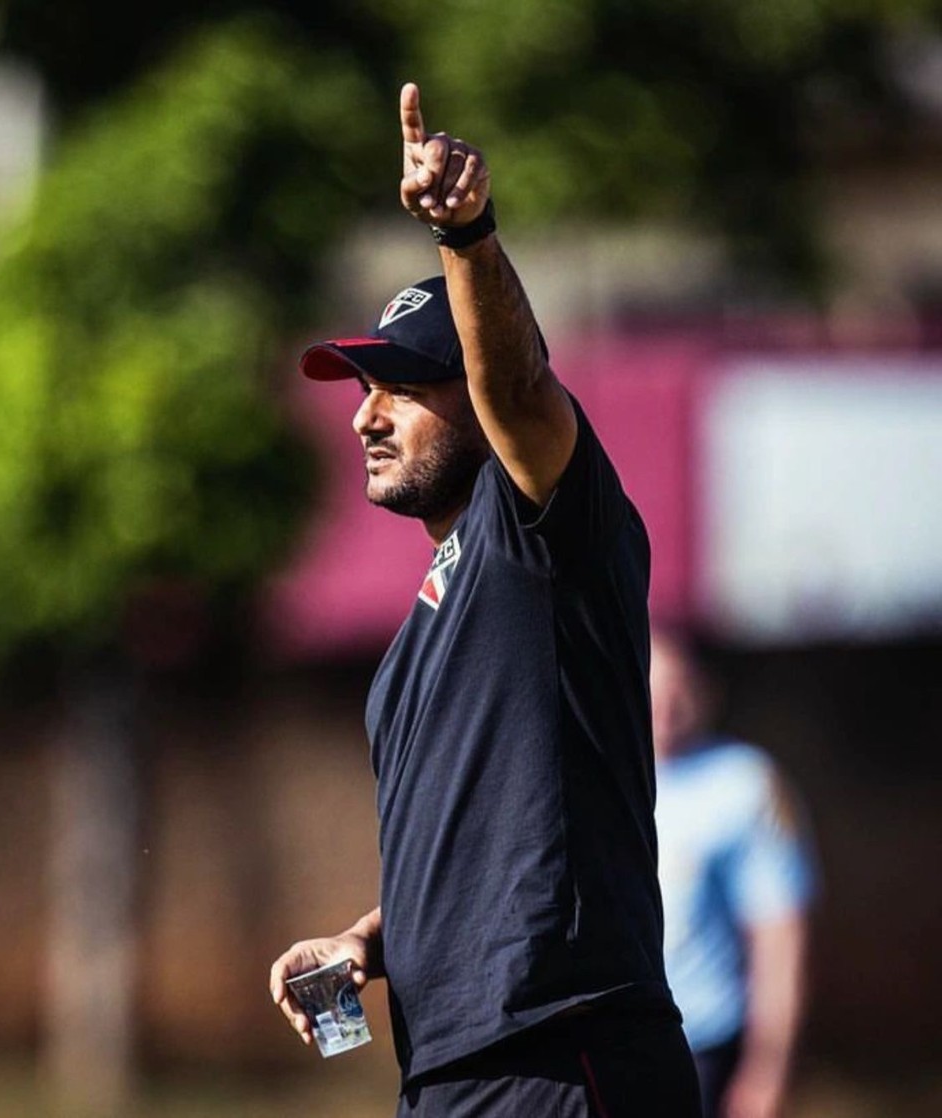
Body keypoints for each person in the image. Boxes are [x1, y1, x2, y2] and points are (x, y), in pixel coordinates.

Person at [270, 82, 701, 1117]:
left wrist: (465, 233)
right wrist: (366, 941)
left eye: (402, 388)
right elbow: (489, 857)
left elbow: (518, 388)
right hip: (451, 1069)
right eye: (362, 392)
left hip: (563, 1051)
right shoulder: (420, 637)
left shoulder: (543, 533)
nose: (366, 418)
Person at [650, 627, 817, 1118]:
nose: (665, 705)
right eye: (650, 686)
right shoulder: (597, 779)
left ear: (707, 690)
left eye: (678, 687)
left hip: (705, 1045)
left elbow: (779, 939)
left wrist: (767, 1070)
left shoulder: (745, 784)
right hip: (617, 1045)